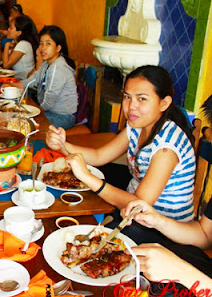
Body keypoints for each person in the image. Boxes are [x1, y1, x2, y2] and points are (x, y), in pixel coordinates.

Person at [46, 65, 196, 220]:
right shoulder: (138, 125)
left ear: (163, 103)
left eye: (142, 99)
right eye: (127, 96)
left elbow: (139, 206)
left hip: (161, 224)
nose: (131, 106)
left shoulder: (167, 147)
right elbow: (99, 156)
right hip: (133, 203)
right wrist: (62, 145)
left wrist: (87, 177)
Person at [23, 25, 77, 128]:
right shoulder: (46, 64)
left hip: (63, 116)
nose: (43, 48)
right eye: (41, 43)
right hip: (50, 111)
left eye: (48, 44)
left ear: (58, 48)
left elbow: (49, 101)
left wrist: (34, 111)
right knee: (23, 119)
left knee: (27, 125)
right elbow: (33, 79)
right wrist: (16, 84)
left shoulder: (58, 68)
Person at [2, 14, 38, 80]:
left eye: (11, 28)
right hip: (18, 79)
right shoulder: (15, 42)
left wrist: (6, 46)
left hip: (25, 80)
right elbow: (2, 58)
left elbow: (6, 65)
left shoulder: (23, 44)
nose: (8, 29)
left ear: (19, 33)